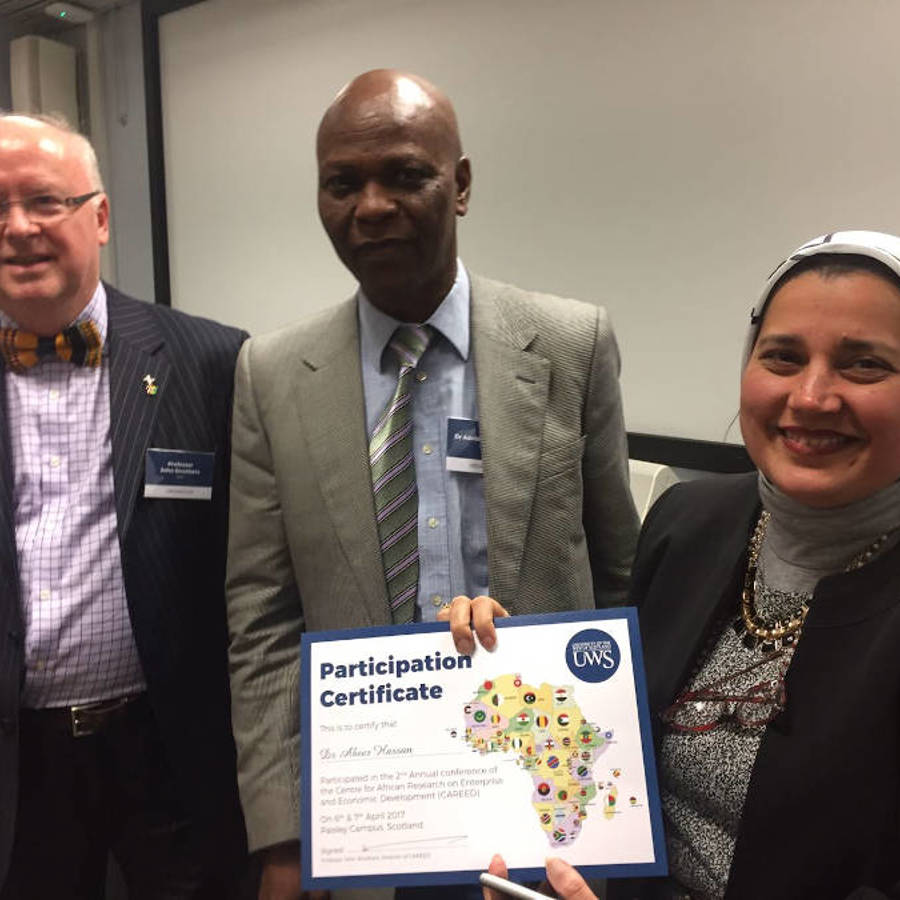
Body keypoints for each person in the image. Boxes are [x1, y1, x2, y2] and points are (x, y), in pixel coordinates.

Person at [225, 68, 639, 898]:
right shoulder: (272, 373)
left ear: (461, 184)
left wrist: (631, 798)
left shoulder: (570, 343)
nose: (370, 207)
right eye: (342, 183)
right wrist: (279, 837)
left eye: (405, 174)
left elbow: (625, 575)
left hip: (544, 808)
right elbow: (262, 619)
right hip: (369, 823)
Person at [476, 229, 900, 900]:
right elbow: (606, 752)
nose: (812, 396)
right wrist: (489, 663)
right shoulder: (686, 523)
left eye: (865, 365)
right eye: (783, 357)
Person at [0, 113, 249, 898]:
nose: (17, 229)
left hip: (169, 751)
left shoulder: (211, 361)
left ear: (99, 217)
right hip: (17, 765)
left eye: (44, 202)